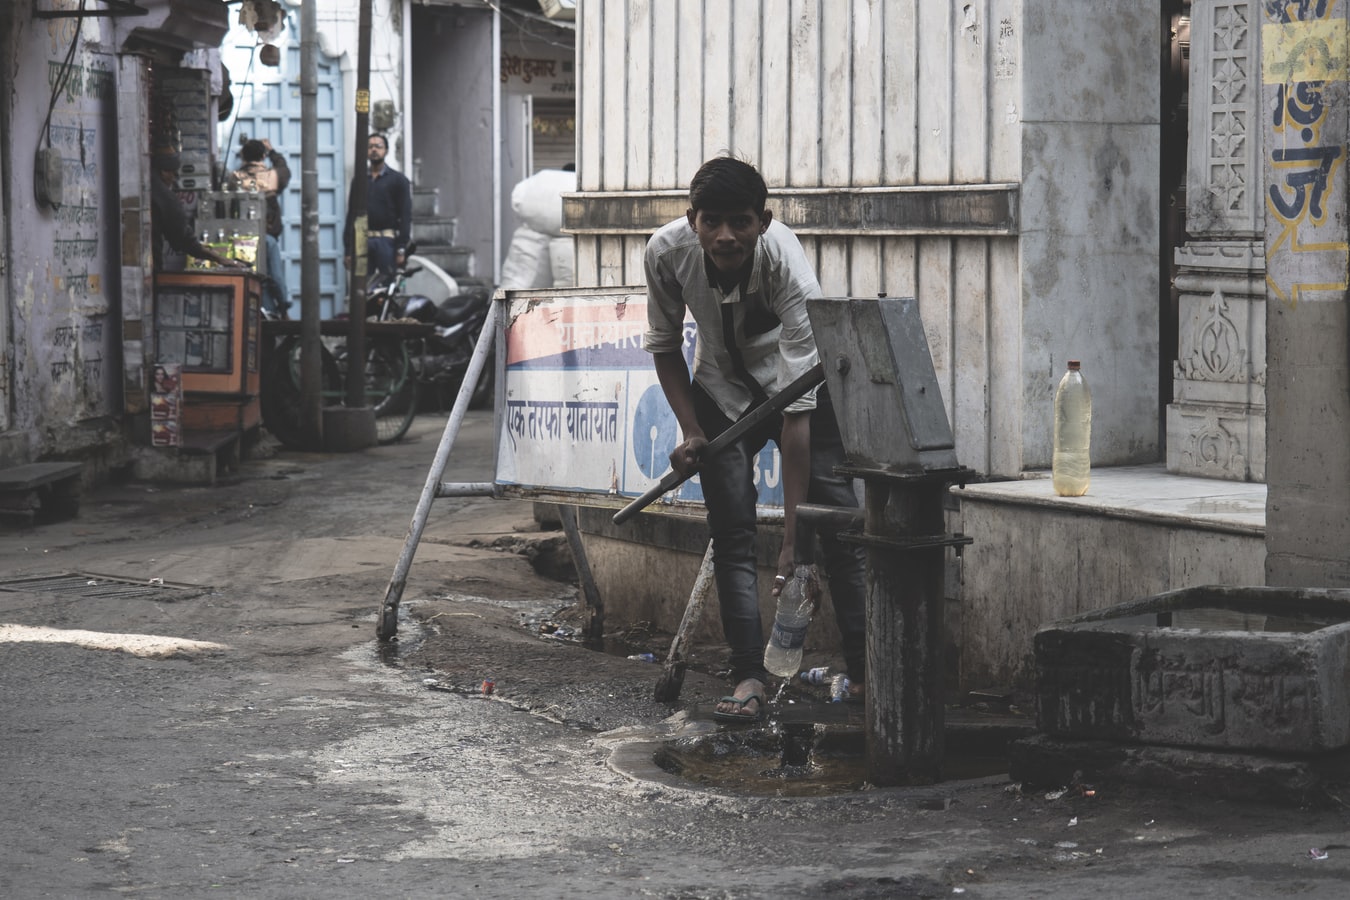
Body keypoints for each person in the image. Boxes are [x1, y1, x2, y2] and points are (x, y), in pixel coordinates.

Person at [643, 156, 868, 722]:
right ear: (690, 218)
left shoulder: (788, 268)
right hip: (719, 390)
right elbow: (665, 346)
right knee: (732, 533)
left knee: (835, 525)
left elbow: (796, 421)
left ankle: (869, 672)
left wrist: (795, 543)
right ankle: (749, 676)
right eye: (711, 221)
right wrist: (692, 428)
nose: (725, 236)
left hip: (796, 388)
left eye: (740, 222)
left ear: (763, 221)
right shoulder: (665, 254)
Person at [231, 138, 291, 316]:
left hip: (240, 238)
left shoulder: (234, 178)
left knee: (251, 278)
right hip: (266, 237)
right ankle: (278, 311)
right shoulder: (273, 176)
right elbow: (284, 169)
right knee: (272, 276)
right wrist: (273, 151)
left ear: (243, 156)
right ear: (263, 156)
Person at [150, 150, 239, 271]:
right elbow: (185, 240)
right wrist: (220, 259)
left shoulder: (148, 187)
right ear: (164, 172)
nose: (175, 180)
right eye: (174, 174)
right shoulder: (165, 197)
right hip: (150, 265)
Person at [343, 132, 412, 281]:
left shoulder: (398, 180)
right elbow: (352, 214)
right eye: (370, 147)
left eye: (378, 146)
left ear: (386, 151)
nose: (374, 150)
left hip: (386, 241)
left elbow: (406, 216)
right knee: (361, 288)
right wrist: (348, 249)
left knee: (386, 286)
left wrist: (401, 248)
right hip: (362, 239)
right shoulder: (359, 180)